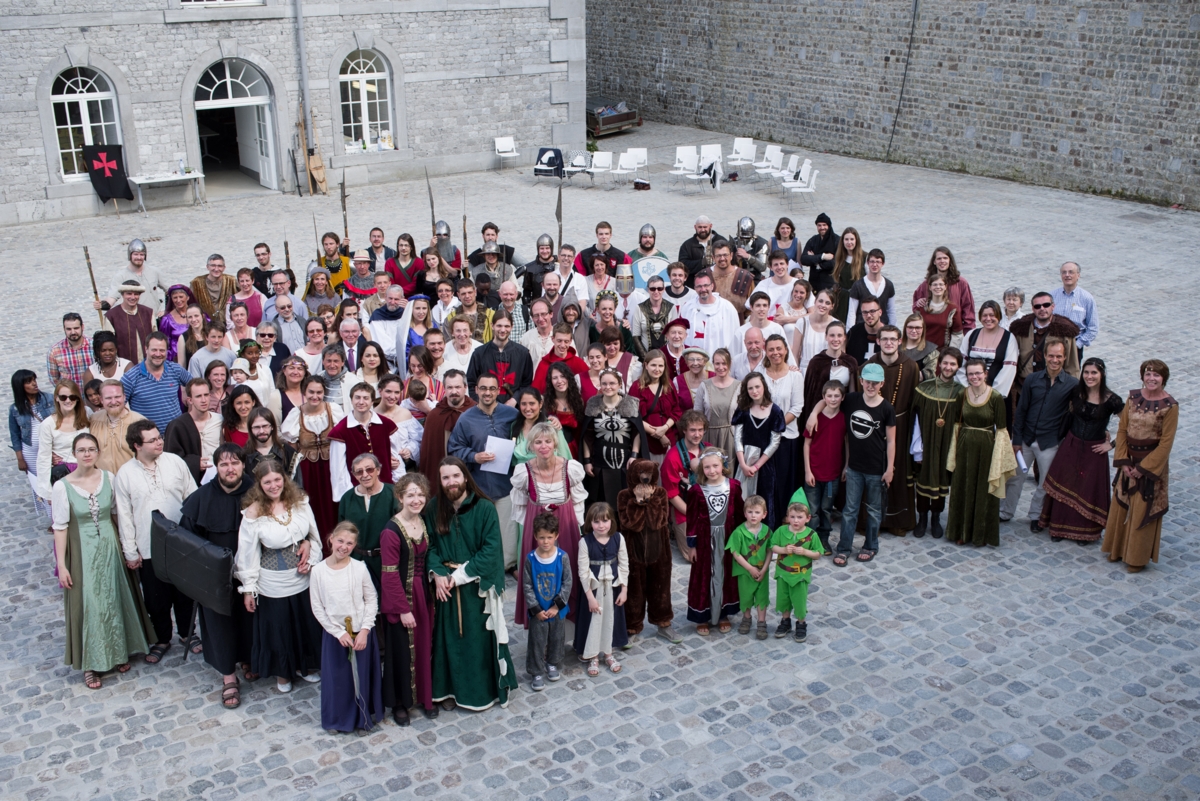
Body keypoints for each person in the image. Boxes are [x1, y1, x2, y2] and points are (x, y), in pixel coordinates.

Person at [53, 432, 153, 690]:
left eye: (91, 449)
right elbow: (60, 528)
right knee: (90, 604)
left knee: (116, 596)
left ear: (97, 453)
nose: (87, 454)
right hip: (82, 551)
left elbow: (117, 515)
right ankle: (91, 663)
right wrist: (62, 565)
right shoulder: (62, 486)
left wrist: (127, 547)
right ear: (74, 454)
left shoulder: (108, 478)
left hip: (110, 547)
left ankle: (120, 651)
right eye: (82, 450)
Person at [426, 456, 518, 710]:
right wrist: (437, 573)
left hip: (476, 587)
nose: (451, 482)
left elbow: (490, 551)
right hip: (445, 587)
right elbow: (430, 545)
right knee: (448, 640)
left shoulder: (484, 508)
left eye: (455, 476)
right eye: (445, 477)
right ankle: (449, 691)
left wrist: (456, 578)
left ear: (465, 477)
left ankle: (480, 692)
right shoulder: (434, 508)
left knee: (476, 641)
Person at [114, 419, 198, 663]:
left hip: (180, 542)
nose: (160, 442)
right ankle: (162, 638)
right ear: (136, 445)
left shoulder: (175, 462)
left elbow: (192, 498)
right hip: (148, 545)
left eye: (159, 437)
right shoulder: (125, 474)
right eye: (152, 440)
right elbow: (125, 516)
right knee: (156, 598)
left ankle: (187, 633)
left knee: (184, 593)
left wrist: (192, 537)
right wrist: (130, 551)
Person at [236, 460, 323, 693]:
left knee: (304, 624)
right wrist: (248, 589)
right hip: (272, 582)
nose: (274, 486)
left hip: (302, 579)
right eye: (267, 482)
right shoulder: (254, 513)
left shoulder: (300, 502)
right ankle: (283, 672)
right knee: (279, 629)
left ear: (284, 479)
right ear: (260, 485)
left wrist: (309, 550)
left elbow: (315, 537)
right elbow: (247, 555)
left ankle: (304, 666)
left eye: (277, 480)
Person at [178, 443, 255, 706]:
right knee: (219, 625)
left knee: (251, 619)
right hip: (215, 577)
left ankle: (249, 659)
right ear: (216, 468)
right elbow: (187, 541)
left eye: (235, 463)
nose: (230, 468)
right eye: (224, 464)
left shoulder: (258, 492)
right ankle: (228, 677)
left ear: (243, 465)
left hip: (251, 573)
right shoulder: (201, 499)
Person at [1037, 358, 1123, 544]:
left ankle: (1086, 532)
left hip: (1094, 450)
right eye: (1086, 372)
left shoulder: (1112, 399)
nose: (1089, 376)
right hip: (1071, 444)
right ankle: (1058, 527)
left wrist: (1112, 444)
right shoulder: (1076, 392)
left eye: (1094, 373)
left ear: (1102, 375)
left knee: (1088, 488)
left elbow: (1130, 424)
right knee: (1065, 483)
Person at [1102, 359, 1177, 573]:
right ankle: (1116, 551)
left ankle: (1136, 558)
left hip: (1151, 467)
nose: (1151, 378)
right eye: (1148, 374)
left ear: (1163, 378)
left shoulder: (1170, 406)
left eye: (1156, 375)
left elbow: (1166, 443)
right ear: (1142, 376)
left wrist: (1143, 468)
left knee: (1143, 510)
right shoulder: (1133, 398)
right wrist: (1124, 461)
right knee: (1121, 504)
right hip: (1128, 463)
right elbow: (1123, 430)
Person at [308, 521, 383, 731]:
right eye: (340, 540)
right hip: (336, 636)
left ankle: (363, 717)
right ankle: (340, 719)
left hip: (361, 633)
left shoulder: (359, 568)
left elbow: (371, 599)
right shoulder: (318, 571)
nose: (344, 546)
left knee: (362, 677)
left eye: (350, 543)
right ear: (330, 538)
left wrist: (366, 630)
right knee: (339, 680)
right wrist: (338, 632)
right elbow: (317, 607)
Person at [509, 421, 586, 627]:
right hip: (538, 530)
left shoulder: (570, 468)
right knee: (539, 578)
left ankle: (569, 630)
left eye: (548, 441)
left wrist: (575, 530)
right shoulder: (523, 471)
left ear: (555, 444)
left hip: (566, 527)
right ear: (531, 446)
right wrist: (528, 535)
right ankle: (540, 630)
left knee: (567, 576)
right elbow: (521, 506)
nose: (543, 446)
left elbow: (578, 502)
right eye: (538, 442)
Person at [379, 472, 437, 725]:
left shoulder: (422, 522)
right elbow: (389, 575)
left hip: (423, 593)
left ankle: (425, 697)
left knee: (424, 646)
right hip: (402, 597)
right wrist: (402, 609)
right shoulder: (391, 531)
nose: (416, 499)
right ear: (400, 497)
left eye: (420, 494)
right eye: (411, 495)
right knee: (401, 651)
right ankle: (400, 703)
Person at [447, 374, 520, 568]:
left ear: (498, 391)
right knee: (480, 529)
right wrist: (474, 456)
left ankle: (506, 567)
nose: (487, 392)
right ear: (476, 390)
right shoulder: (466, 419)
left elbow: (531, 428)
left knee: (507, 528)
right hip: (479, 485)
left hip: (507, 484)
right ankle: (482, 566)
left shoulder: (511, 414)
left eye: (492, 389)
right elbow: (454, 449)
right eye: (483, 388)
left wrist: (552, 420)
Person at [946, 359, 1017, 547]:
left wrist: (999, 459)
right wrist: (954, 452)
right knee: (963, 487)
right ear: (966, 376)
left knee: (982, 491)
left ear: (985, 374)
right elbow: (956, 425)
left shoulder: (995, 397)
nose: (974, 377)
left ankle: (980, 534)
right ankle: (960, 532)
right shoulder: (962, 394)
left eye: (978, 373)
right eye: (971, 374)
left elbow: (1002, 430)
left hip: (987, 449)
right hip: (965, 447)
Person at [1010, 338, 1079, 528]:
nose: (1054, 360)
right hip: (1026, 438)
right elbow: (1021, 410)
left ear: (1064, 357)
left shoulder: (1072, 384)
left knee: (1044, 484)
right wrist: (1016, 439)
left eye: (1058, 356)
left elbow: (1080, 411)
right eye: (1051, 356)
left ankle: (1036, 516)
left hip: (1049, 442)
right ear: (1045, 357)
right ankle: (1005, 511)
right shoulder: (1033, 379)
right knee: (1014, 478)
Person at [832, 363, 895, 565]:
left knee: (874, 510)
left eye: (875, 383)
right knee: (850, 510)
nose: (871, 386)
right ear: (861, 381)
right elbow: (829, 400)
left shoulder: (887, 408)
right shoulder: (851, 400)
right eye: (868, 382)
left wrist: (889, 469)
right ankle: (844, 548)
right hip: (854, 468)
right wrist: (814, 414)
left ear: (882, 384)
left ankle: (870, 545)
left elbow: (892, 441)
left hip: (877, 468)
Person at [861, 326, 919, 535]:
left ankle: (897, 521)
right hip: (874, 428)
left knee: (898, 471)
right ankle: (871, 520)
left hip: (901, 425)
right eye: (884, 339)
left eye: (892, 339)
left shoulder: (911, 367)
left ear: (899, 341)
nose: (888, 343)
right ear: (878, 341)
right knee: (873, 470)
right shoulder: (868, 366)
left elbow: (914, 401)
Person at [616, 458, 680, 644]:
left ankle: (664, 624)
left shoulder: (660, 493)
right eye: (641, 475)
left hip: (659, 552)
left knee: (661, 589)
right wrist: (637, 501)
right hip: (632, 553)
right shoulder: (623, 496)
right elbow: (630, 524)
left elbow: (658, 522)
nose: (644, 479)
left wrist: (648, 501)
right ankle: (632, 626)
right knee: (633, 591)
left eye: (648, 475)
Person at [686, 447, 743, 635]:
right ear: (702, 469)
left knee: (725, 573)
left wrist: (741, 539)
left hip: (727, 537)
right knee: (704, 575)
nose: (712, 471)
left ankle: (724, 612)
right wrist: (692, 546)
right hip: (704, 540)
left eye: (715, 466)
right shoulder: (696, 490)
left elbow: (740, 514)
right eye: (707, 467)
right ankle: (702, 616)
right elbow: (692, 519)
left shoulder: (733, 486)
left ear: (723, 465)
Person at [280, 375, 345, 539]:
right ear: (304, 392)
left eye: (319, 392)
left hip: (333, 467)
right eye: (311, 392)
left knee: (333, 505)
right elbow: (292, 449)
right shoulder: (296, 414)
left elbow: (343, 441)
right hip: (308, 470)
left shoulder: (333, 410)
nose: (315, 396)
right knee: (312, 506)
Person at [910, 348, 964, 539]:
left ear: (958, 367)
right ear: (939, 363)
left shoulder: (961, 392)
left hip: (947, 443)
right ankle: (922, 518)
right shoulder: (924, 388)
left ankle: (936, 518)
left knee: (941, 480)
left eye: (953, 364)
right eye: (945, 363)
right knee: (924, 479)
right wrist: (917, 449)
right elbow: (914, 419)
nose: (948, 367)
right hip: (927, 441)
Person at [582, 369, 648, 520]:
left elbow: (636, 432)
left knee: (625, 506)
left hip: (624, 463)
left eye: (612, 383)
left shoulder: (630, 404)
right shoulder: (592, 404)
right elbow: (587, 436)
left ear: (619, 384)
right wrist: (586, 461)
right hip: (599, 463)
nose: (608, 387)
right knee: (601, 506)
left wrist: (634, 455)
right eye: (604, 383)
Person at [572, 501, 629, 677]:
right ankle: (593, 655)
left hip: (612, 587)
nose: (601, 525)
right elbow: (583, 571)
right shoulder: (585, 542)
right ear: (590, 523)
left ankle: (609, 653)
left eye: (605, 521)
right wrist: (589, 596)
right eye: (597, 522)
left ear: (611, 521)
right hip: (593, 589)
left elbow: (624, 564)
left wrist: (624, 589)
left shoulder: (618, 538)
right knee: (594, 621)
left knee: (610, 620)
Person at [335, 450, 400, 593]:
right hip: (357, 561)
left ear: (378, 470)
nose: (365, 475)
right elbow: (342, 533)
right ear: (354, 475)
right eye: (359, 472)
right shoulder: (347, 498)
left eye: (369, 469)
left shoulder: (393, 493)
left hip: (387, 561)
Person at [523, 512, 573, 691]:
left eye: (549, 537)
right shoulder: (530, 559)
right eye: (542, 537)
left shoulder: (562, 557)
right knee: (537, 641)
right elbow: (527, 585)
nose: (545, 541)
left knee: (557, 638)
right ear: (535, 536)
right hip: (539, 611)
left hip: (556, 610)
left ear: (556, 536)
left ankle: (552, 663)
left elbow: (567, 582)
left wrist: (555, 606)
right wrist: (536, 609)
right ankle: (536, 671)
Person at [732, 372, 785, 527]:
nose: (754, 391)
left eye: (757, 387)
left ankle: (763, 540)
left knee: (764, 499)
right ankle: (741, 537)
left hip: (764, 465)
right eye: (750, 388)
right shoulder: (743, 409)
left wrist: (756, 466)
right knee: (741, 499)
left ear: (764, 387)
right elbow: (738, 438)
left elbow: (775, 443)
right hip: (743, 460)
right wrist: (743, 464)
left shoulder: (775, 411)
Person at [761, 334, 804, 524]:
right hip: (763, 438)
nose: (775, 353)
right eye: (771, 349)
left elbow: (797, 408)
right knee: (767, 485)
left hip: (787, 437)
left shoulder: (795, 375)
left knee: (785, 483)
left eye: (779, 348)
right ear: (766, 351)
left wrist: (777, 427)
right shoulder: (760, 373)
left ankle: (786, 524)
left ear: (786, 350)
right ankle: (766, 522)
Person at [801, 380, 847, 551]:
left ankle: (824, 539)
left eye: (837, 396)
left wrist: (846, 466)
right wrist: (807, 471)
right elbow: (806, 444)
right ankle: (810, 540)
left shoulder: (843, 418)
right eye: (829, 396)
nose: (833, 399)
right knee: (812, 511)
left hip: (832, 476)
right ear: (823, 397)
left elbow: (847, 443)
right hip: (813, 473)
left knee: (826, 509)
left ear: (842, 398)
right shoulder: (815, 419)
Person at [770, 501, 824, 643]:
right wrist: (783, 550)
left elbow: (818, 554)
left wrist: (805, 552)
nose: (795, 520)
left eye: (799, 517)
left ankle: (801, 624)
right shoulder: (781, 531)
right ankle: (785, 621)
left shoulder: (811, 535)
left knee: (799, 601)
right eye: (792, 517)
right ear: (787, 517)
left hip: (800, 575)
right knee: (783, 598)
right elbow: (773, 546)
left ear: (808, 518)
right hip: (783, 573)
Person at [1009, 293, 1082, 396]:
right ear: (1033, 309)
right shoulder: (1021, 327)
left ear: (1053, 306)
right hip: (1025, 386)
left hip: (1053, 388)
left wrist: (1073, 391)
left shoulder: (1064, 330)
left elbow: (1072, 365)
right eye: (1037, 306)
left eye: (1046, 305)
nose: (1042, 309)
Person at [661, 410, 708, 562]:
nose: (697, 434)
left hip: (708, 507)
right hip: (685, 509)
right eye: (693, 430)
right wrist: (693, 514)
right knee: (694, 556)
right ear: (684, 430)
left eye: (700, 430)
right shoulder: (672, 457)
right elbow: (672, 495)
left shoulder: (709, 449)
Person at [726, 495, 772, 640]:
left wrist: (764, 569)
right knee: (745, 596)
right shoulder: (739, 532)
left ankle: (761, 622)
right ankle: (746, 619)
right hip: (745, 571)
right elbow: (735, 553)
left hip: (762, 572)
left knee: (762, 597)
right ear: (745, 513)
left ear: (764, 514)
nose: (753, 515)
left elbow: (770, 551)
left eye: (757, 512)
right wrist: (750, 568)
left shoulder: (767, 532)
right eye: (750, 512)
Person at [36, 379, 88, 504]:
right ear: (56, 398)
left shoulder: (87, 414)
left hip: (88, 471)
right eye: (63, 397)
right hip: (64, 474)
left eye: (72, 397)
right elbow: (43, 458)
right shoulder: (48, 424)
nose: (68, 401)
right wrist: (47, 492)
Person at [801, 321, 859, 430]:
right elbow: (810, 395)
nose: (835, 339)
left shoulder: (850, 362)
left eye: (839, 335)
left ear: (844, 338)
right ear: (826, 337)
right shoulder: (816, 362)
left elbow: (853, 392)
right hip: (820, 414)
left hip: (842, 413)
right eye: (832, 335)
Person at [9, 370, 54, 510]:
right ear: (20, 386)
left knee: (53, 480)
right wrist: (20, 458)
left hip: (51, 448)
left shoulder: (49, 399)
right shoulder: (15, 408)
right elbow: (15, 434)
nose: (34, 383)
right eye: (29, 381)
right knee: (39, 484)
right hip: (30, 451)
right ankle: (51, 517)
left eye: (34, 379)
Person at [418, 369, 472, 482]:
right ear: (444, 389)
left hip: (470, 471)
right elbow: (428, 454)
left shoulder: (475, 412)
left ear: (465, 387)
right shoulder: (435, 415)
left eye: (458, 387)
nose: (454, 391)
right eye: (450, 387)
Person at [165, 378, 222, 484]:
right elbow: (170, 459)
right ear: (190, 400)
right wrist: (194, 463)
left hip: (220, 477)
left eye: (206, 395)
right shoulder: (177, 425)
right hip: (191, 483)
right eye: (198, 396)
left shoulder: (220, 420)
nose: (204, 400)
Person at [466, 311, 532, 403]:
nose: (503, 330)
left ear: (512, 327)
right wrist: (483, 403)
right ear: (492, 325)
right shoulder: (479, 354)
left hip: (515, 409)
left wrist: (514, 400)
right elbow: (471, 383)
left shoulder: (523, 354)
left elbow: (527, 383)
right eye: (499, 326)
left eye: (507, 326)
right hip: (486, 409)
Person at [629, 350, 681, 465]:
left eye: (660, 365)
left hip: (668, 440)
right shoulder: (637, 387)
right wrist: (658, 434)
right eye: (653, 365)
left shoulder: (669, 385)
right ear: (646, 365)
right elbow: (633, 415)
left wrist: (665, 428)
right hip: (647, 441)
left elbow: (676, 410)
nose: (657, 369)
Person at [98, 239, 169, 316]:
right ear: (130, 255)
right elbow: (112, 297)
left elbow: (171, 291)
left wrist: (168, 310)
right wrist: (103, 305)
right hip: (134, 318)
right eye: (136, 254)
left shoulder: (154, 272)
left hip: (155, 317)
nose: (139, 257)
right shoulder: (121, 276)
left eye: (142, 254)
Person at [913, 246, 977, 331]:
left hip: (955, 332)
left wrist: (969, 333)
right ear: (934, 262)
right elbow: (916, 310)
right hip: (933, 333)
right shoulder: (926, 284)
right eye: (939, 258)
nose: (942, 261)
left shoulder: (961, 283)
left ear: (950, 261)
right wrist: (918, 302)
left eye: (945, 258)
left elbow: (968, 310)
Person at [89, 379, 146, 474]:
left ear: (124, 397)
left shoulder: (139, 423)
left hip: (132, 480)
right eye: (108, 398)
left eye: (117, 397)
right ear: (101, 400)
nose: (113, 401)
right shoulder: (94, 420)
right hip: (103, 481)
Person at [694, 349, 737, 464]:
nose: (721, 367)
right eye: (717, 363)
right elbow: (697, 415)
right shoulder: (704, 386)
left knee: (728, 471)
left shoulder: (739, 387)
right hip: (708, 437)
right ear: (713, 364)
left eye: (724, 363)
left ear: (729, 364)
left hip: (730, 437)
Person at [682, 269, 740, 353]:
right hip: (695, 360)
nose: (703, 289)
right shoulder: (688, 308)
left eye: (706, 285)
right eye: (699, 286)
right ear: (694, 288)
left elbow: (735, 336)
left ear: (712, 286)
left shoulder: (727, 308)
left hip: (719, 361)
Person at [1050, 261, 1098, 360]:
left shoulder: (1086, 298)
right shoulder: (1052, 296)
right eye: (1064, 272)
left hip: (1074, 344)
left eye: (1071, 272)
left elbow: (1093, 327)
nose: (1067, 275)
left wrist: (1077, 345)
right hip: (1053, 343)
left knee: (1072, 374)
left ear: (1078, 275)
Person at [106, 281, 155, 364]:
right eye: (129, 294)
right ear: (122, 294)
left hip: (148, 365)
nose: (133, 297)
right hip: (123, 367)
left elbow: (155, 339)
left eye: (136, 294)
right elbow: (108, 346)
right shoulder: (111, 316)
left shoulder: (148, 313)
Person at [243, 406, 299, 477]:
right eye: (256, 427)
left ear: (272, 426)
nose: (261, 431)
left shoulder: (289, 453)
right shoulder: (244, 456)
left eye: (265, 426)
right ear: (250, 429)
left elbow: (297, 485)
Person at [847, 248, 898, 325]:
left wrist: (893, 331)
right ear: (867, 263)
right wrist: (850, 333)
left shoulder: (889, 285)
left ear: (883, 264)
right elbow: (852, 312)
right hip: (862, 329)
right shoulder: (857, 285)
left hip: (883, 329)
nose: (874, 265)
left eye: (878, 262)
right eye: (872, 261)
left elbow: (891, 311)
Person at [791, 286, 834, 375]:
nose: (822, 305)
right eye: (820, 301)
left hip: (827, 372)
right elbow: (795, 354)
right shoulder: (802, 322)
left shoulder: (836, 325)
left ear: (832, 306)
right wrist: (796, 374)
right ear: (815, 302)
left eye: (827, 303)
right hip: (805, 373)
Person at [630, 275, 675, 358]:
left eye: (659, 288)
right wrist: (646, 358)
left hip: (667, 357)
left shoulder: (671, 308)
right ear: (648, 289)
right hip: (646, 358)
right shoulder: (639, 308)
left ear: (664, 289)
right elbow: (636, 336)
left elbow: (675, 334)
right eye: (652, 289)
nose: (656, 291)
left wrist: (670, 356)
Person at [710, 240, 755, 323]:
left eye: (725, 255)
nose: (722, 258)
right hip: (711, 323)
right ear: (713, 257)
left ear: (731, 255)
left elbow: (752, 306)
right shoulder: (704, 276)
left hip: (738, 322)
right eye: (719, 255)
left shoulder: (745, 277)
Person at [191, 254, 238, 330]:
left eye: (220, 266)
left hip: (228, 324)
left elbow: (245, 296)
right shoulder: (197, 283)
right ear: (207, 267)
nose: (216, 269)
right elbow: (190, 303)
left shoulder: (232, 281)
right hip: (205, 325)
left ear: (224, 268)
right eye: (213, 265)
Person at [916, 274, 963, 351]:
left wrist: (950, 353)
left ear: (945, 287)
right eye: (935, 284)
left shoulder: (952, 309)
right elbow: (914, 330)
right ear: (930, 287)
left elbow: (957, 334)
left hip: (943, 352)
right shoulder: (921, 307)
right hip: (923, 351)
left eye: (941, 284)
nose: (938, 287)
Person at [47, 313, 92, 387]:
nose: (73, 332)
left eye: (76, 328)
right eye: (69, 329)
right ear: (64, 329)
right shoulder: (54, 351)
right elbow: (54, 379)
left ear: (82, 327)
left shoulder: (93, 346)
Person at [830, 227, 864, 322]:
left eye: (852, 239)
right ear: (843, 241)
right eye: (846, 239)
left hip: (859, 297)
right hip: (843, 298)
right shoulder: (840, 257)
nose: (849, 242)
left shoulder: (865, 257)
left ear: (856, 240)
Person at [800, 213, 838, 293]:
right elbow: (803, 259)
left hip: (831, 285)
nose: (822, 228)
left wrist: (817, 263)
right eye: (819, 225)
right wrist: (822, 257)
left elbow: (836, 262)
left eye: (824, 225)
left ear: (829, 225)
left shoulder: (837, 241)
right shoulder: (813, 240)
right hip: (814, 284)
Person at [751, 251, 798, 315]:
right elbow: (753, 310)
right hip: (768, 322)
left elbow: (812, 312)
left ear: (787, 264)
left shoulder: (798, 284)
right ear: (771, 267)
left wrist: (787, 320)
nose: (779, 267)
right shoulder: (763, 285)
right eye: (776, 264)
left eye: (782, 263)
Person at [677, 215, 723, 281]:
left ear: (710, 226)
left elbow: (731, 261)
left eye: (705, 227)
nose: (702, 230)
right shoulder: (687, 245)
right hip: (694, 284)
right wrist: (701, 263)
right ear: (695, 227)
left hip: (718, 281)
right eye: (700, 227)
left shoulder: (721, 241)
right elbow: (682, 266)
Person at [846, 297, 886, 365]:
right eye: (865, 312)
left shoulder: (889, 334)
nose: (869, 315)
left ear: (880, 312)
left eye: (872, 311)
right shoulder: (853, 333)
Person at [518, 234, 557, 304]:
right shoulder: (530, 268)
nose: (545, 251)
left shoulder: (559, 266)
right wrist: (529, 308)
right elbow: (527, 292)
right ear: (538, 249)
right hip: (538, 305)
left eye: (547, 248)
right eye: (542, 248)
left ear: (551, 249)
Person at [902, 314, 940, 383]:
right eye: (910, 327)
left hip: (922, 389)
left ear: (923, 329)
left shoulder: (930, 351)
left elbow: (929, 375)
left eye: (917, 328)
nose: (914, 331)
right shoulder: (896, 348)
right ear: (905, 328)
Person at [220, 384, 259, 449]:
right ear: (233, 404)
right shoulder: (228, 427)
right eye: (239, 403)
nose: (243, 407)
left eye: (247, 402)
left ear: (253, 402)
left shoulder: (263, 423)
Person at [521, 298, 556, 367]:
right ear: (532, 318)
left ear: (551, 314)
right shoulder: (526, 338)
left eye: (543, 314)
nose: (540, 319)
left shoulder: (562, 336)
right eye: (536, 315)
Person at [175, 304, 209, 370]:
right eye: (190, 317)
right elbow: (182, 365)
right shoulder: (183, 338)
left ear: (202, 316)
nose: (193, 319)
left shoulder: (211, 334)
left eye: (196, 316)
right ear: (187, 319)